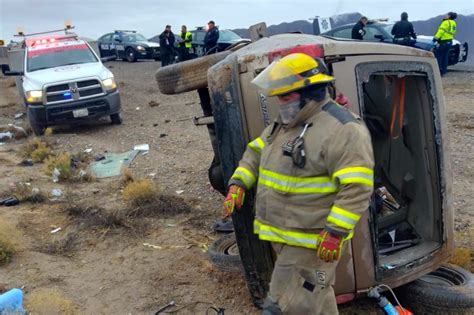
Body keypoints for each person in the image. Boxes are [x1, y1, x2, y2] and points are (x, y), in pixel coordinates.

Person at [223, 53, 374, 314]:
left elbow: (357, 186)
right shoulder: (286, 124)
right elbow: (257, 152)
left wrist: (336, 231)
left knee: (283, 305)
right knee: (316, 296)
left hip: (312, 241)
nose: (280, 105)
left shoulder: (344, 129)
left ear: (310, 92)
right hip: (284, 232)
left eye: (285, 97)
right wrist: (239, 182)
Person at [433, 12, 457, 76]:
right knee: (445, 57)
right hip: (449, 41)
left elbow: (441, 31)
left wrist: (435, 38)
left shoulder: (445, 22)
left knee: (439, 56)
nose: (445, 15)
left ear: (449, 16)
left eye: (447, 15)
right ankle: (444, 71)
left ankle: (438, 72)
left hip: (443, 42)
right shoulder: (453, 23)